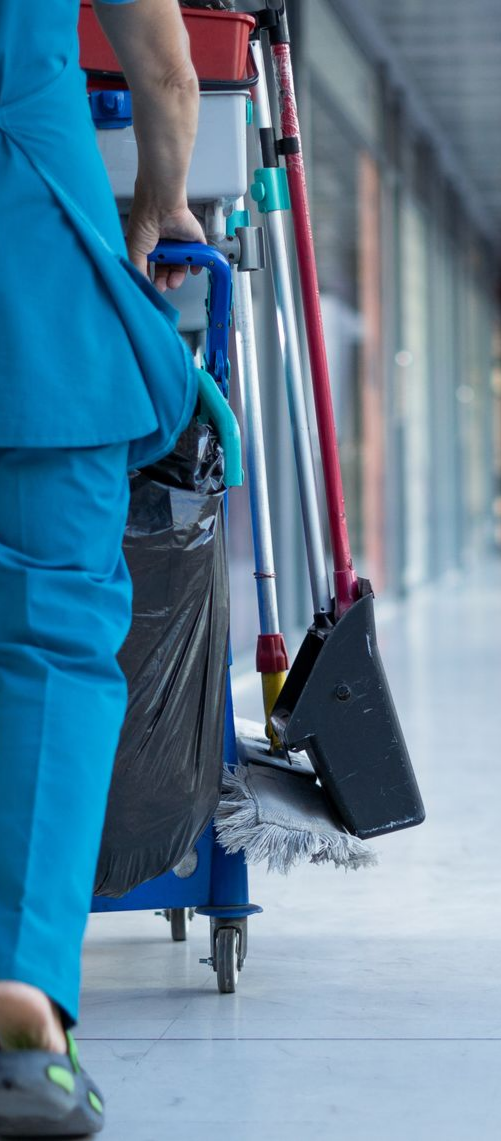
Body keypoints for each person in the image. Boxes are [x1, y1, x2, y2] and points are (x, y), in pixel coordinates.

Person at [0, 0, 205, 1133]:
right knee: (48, 646)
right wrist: (155, 200)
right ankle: (23, 1017)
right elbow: (165, 68)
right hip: (30, 286)